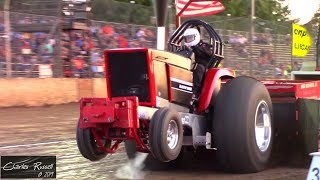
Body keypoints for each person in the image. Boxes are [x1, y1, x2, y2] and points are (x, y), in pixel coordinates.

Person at [183, 28, 214, 99]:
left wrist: (196, 48)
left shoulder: (204, 46)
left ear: (196, 37)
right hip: (188, 64)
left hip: (203, 67)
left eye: (190, 38)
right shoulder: (186, 48)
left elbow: (210, 54)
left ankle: (195, 92)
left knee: (198, 68)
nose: (188, 40)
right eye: (186, 38)